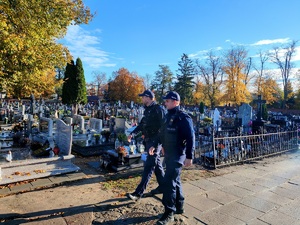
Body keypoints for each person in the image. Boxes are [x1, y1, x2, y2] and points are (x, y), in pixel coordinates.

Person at [149, 91, 195, 225]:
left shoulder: (183, 118)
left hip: (178, 155)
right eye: (165, 101)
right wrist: (154, 145)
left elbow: (191, 138)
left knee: (169, 182)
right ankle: (179, 206)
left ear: (175, 101)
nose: (165, 103)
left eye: (168, 101)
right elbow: (161, 133)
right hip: (168, 153)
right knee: (176, 180)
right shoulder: (167, 115)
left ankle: (169, 211)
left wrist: (189, 156)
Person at [126, 89, 166, 201]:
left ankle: (138, 193)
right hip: (149, 141)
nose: (142, 99)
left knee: (149, 166)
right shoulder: (147, 110)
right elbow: (142, 124)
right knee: (156, 164)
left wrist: (158, 143)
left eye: (143, 97)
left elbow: (163, 128)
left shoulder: (159, 109)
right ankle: (163, 186)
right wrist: (132, 134)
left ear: (148, 97)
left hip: (156, 142)